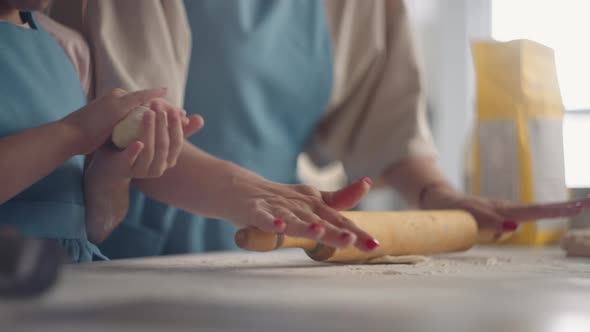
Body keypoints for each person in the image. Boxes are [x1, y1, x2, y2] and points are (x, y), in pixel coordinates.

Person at [49, 0, 588, 258]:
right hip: (130, 252)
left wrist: (440, 197)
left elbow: (386, 124)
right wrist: (251, 192)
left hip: (269, 252)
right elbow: (135, 129)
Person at [0, 0, 380, 263]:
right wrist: (71, 135)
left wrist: (113, 174)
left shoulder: (69, 49)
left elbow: (97, 225)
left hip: (70, 287)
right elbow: (70, 138)